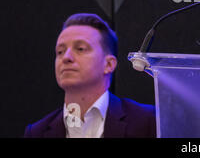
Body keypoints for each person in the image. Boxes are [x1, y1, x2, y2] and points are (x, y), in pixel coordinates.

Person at [24, 13, 157, 138]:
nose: (66, 57)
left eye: (80, 49)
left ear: (109, 64)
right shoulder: (36, 132)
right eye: (60, 51)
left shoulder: (148, 121)